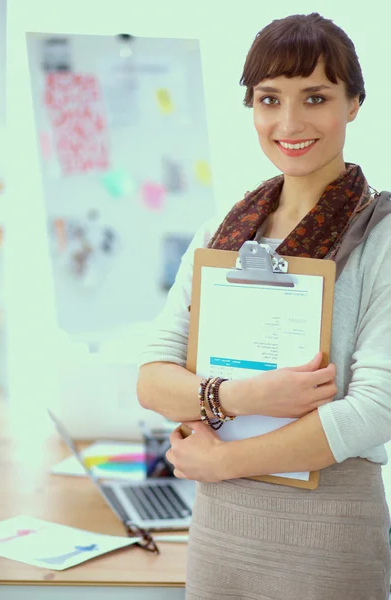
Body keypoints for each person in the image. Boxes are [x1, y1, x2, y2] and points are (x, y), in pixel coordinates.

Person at [136, 12, 391, 600]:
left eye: (316, 97)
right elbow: (153, 377)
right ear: (251, 105)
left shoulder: (380, 236)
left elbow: (375, 410)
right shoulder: (221, 233)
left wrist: (225, 460)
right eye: (270, 98)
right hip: (220, 531)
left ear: (354, 104)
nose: (290, 122)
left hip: (327, 534)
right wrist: (244, 397)